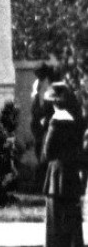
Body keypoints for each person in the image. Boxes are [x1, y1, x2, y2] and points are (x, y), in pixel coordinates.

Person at [42, 82, 84, 247]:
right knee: (72, 220)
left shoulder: (55, 122)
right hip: (71, 176)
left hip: (56, 177)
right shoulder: (75, 122)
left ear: (54, 104)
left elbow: (47, 152)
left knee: (56, 222)